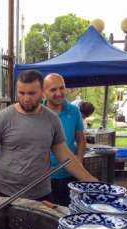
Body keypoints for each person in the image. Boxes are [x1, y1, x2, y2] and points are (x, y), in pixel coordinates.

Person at [0, 70, 96, 201]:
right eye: (22, 93)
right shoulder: (4, 116)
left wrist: (89, 179)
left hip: (41, 193)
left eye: (32, 93)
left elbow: (64, 154)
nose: (26, 98)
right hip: (6, 192)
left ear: (42, 93)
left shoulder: (52, 119)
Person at [43, 73, 87, 206]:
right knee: (46, 216)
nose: (59, 93)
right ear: (44, 93)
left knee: (68, 213)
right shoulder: (38, 112)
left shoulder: (74, 111)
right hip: (44, 177)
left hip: (69, 175)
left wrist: (78, 160)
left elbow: (81, 139)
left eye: (61, 88)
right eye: (53, 89)